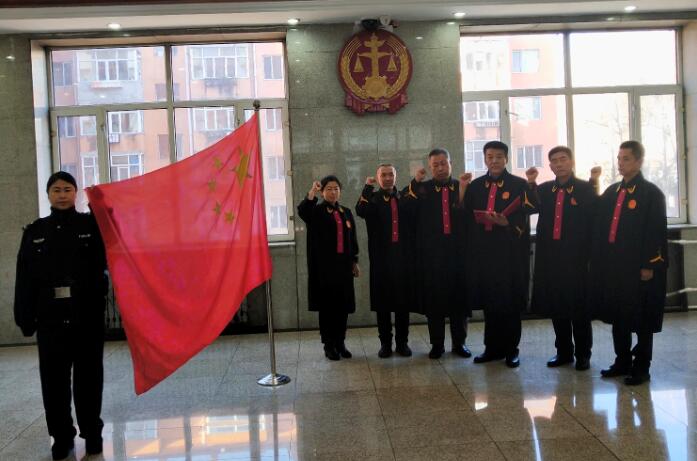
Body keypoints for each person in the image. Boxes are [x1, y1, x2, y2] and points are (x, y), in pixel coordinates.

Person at [14, 171, 108, 460]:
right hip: (50, 318)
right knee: (53, 382)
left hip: (86, 316)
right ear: (48, 195)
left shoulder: (91, 226)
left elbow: (113, 248)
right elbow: (24, 278)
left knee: (89, 379)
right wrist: (25, 317)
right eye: (56, 190)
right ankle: (62, 437)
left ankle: (92, 433)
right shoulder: (35, 232)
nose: (62, 194)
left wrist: (101, 209)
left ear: (76, 193)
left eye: (68, 189)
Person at [590, 141, 668, 385]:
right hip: (614, 266)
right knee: (618, 315)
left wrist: (649, 265)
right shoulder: (613, 191)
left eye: (626, 159)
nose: (621, 163)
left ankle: (642, 367)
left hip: (638, 266)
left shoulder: (651, 193)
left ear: (639, 161)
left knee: (642, 318)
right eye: (619, 158)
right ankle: (622, 360)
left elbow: (656, 232)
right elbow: (597, 217)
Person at [528, 146, 601, 371]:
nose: (559, 164)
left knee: (579, 309)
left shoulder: (585, 189)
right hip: (551, 258)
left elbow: (595, 222)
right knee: (557, 306)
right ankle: (563, 352)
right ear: (550, 166)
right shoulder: (544, 189)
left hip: (577, 258)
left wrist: (592, 257)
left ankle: (583, 354)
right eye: (554, 161)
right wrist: (530, 183)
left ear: (571, 162)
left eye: (563, 159)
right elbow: (529, 207)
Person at [465, 141, 535, 368]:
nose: (494, 161)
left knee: (510, 303)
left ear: (506, 158)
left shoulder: (518, 184)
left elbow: (527, 213)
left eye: (498, 156)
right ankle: (492, 348)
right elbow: (466, 217)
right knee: (490, 303)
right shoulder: (476, 186)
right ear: (484, 159)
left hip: (510, 252)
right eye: (489, 156)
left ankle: (512, 350)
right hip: (484, 253)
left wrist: (507, 224)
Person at [402, 148, 471, 359]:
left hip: (459, 254)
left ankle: (459, 344)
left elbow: (470, 215)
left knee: (459, 301)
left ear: (450, 163)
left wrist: (464, 191)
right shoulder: (422, 189)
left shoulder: (462, 186)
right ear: (430, 167)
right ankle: (437, 344)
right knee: (435, 302)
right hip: (432, 256)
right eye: (436, 165)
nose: (440, 168)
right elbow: (405, 207)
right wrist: (415, 181)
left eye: (444, 163)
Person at [356, 164, 416, 358]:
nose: (388, 178)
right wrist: (367, 187)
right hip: (381, 260)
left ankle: (402, 343)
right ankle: (385, 344)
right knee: (383, 305)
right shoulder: (372, 199)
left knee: (403, 305)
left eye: (391, 174)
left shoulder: (404, 198)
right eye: (384, 175)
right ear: (378, 177)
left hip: (403, 259)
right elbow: (360, 210)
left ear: (396, 176)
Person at [297, 175, 360, 361]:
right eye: (329, 189)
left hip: (344, 268)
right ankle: (328, 345)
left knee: (343, 307)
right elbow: (303, 211)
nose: (333, 192)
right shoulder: (316, 211)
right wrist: (312, 191)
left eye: (336, 189)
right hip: (324, 269)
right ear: (323, 192)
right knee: (327, 308)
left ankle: (340, 343)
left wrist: (354, 261)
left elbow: (352, 239)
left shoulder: (345, 212)